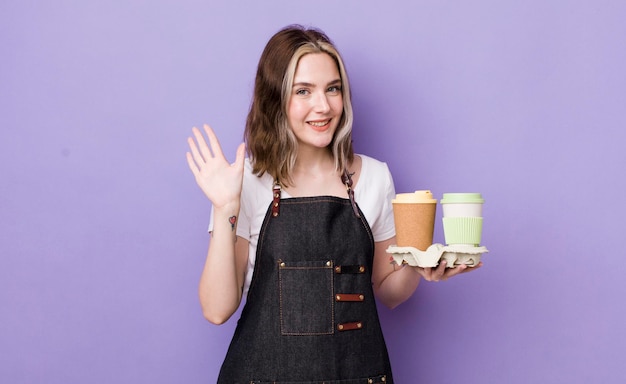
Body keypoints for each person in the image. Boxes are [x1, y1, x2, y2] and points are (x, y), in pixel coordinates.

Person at [186, 24, 480, 384]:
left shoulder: (374, 178)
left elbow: (389, 291)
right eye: (303, 91)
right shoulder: (247, 180)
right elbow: (216, 310)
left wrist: (419, 267)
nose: (323, 106)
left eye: (333, 89)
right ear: (275, 98)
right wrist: (225, 205)